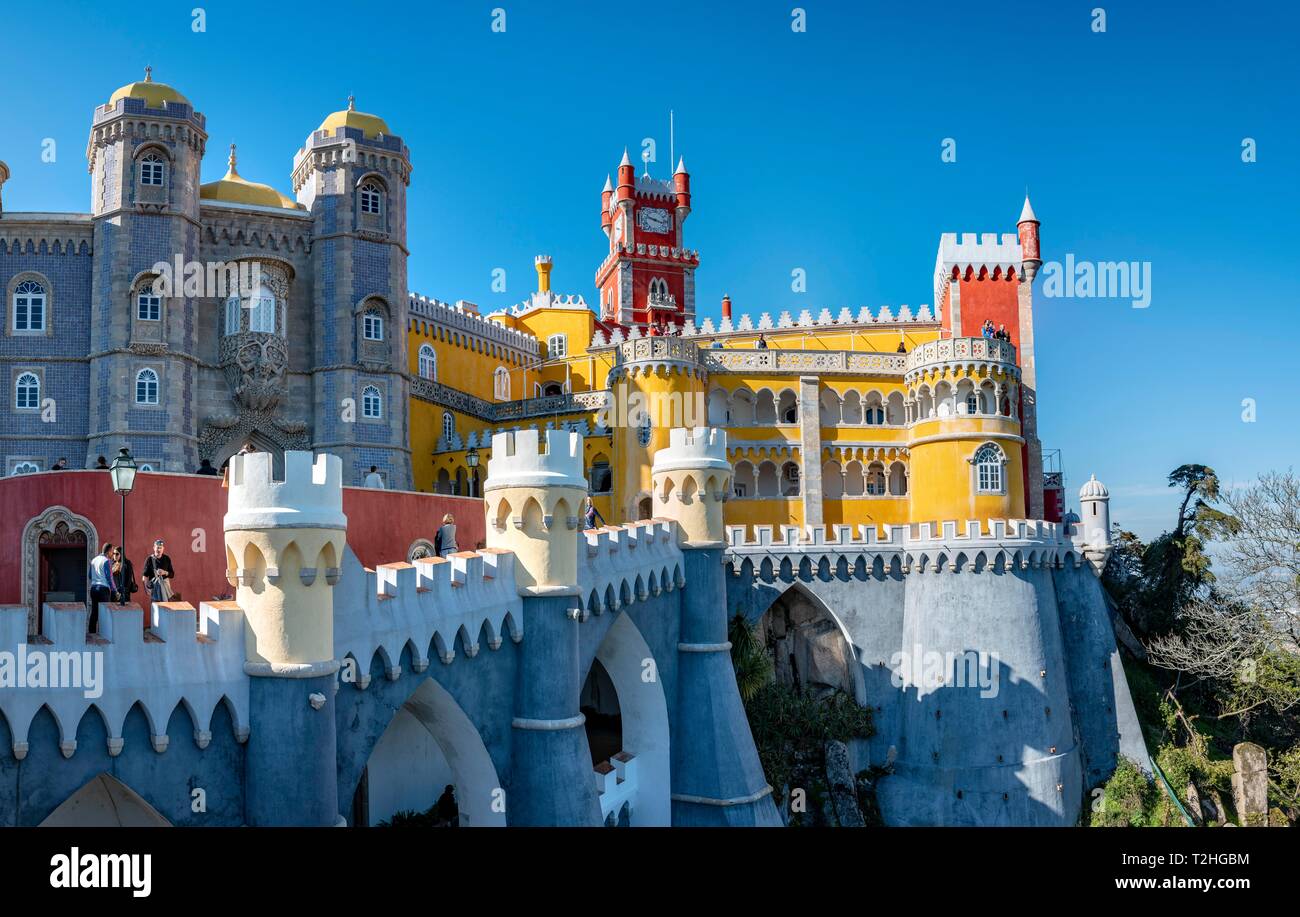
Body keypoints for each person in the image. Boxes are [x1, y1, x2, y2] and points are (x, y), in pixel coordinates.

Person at [88, 542, 114, 634]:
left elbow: (90, 576)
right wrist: (114, 590)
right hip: (103, 590)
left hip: (93, 588)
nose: (112, 554)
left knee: (94, 612)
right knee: (104, 612)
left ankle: (91, 633)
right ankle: (104, 634)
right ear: (109, 551)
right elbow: (109, 577)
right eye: (112, 552)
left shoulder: (94, 560)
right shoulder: (107, 561)